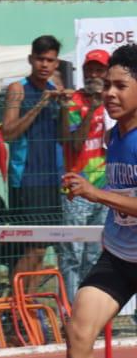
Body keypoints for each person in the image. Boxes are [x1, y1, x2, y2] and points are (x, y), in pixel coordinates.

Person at [48, 44, 137, 358]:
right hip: (120, 254)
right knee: (79, 330)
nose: (110, 93)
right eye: (107, 86)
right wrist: (86, 187)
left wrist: (96, 193)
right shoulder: (114, 134)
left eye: (121, 85)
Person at [58, 49, 111, 299]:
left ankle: (89, 306)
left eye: (99, 70)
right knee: (72, 253)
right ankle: (70, 309)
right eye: (89, 69)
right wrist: (92, 109)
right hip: (76, 187)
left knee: (95, 254)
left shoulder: (113, 102)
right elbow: (75, 144)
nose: (93, 75)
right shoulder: (73, 102)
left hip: (105, 188)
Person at [3, 35, 67, 226]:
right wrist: (39, 105)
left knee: (51, 239)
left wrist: (65, 107)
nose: (44, 65)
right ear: (31, 59)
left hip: (53, 178)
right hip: (26, 178)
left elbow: (63, 138)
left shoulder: (55, 90)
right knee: (30, 241)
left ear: (56, 63)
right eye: (40, 59)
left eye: (50, 60)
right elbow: (8, 134)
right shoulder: (18, 89)